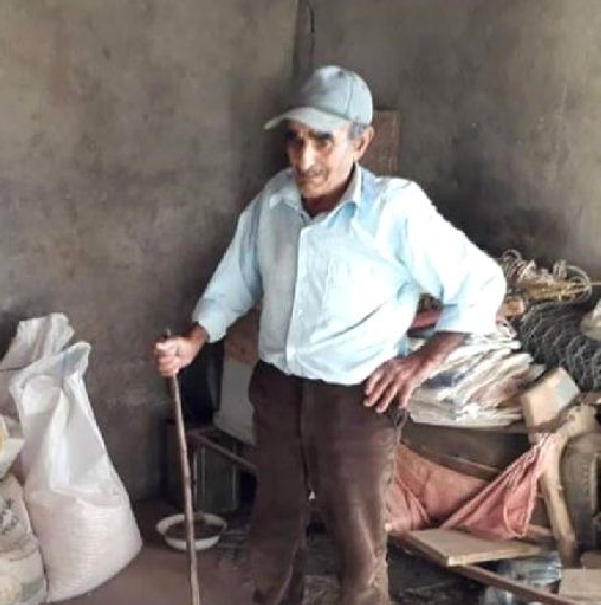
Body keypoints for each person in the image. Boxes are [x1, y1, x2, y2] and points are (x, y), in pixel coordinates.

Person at [153, 65, 505, 605]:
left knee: (358, 549)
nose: (304, 159)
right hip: (278, 391)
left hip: (358, 400)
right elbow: (237, 279)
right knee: (274, 532)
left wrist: (420, 363)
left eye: (323, 141)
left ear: (361, 142)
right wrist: (195, 340)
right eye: (295, 139)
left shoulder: (394, 211)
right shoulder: (274, 201)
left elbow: (480, 284)